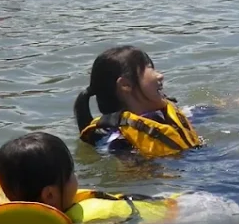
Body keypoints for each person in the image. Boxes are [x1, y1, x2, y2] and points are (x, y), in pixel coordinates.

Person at [0, 132, 178, 224]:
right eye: (70, 175)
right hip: (178, 213)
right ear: (49, 194)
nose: (75, 179)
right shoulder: (89, 220)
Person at [74, 46, 203, 157]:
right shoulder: (120, 144)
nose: (160, 76)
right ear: (126, 85)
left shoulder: (165, 116)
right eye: (150, 69)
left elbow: (199, 114)